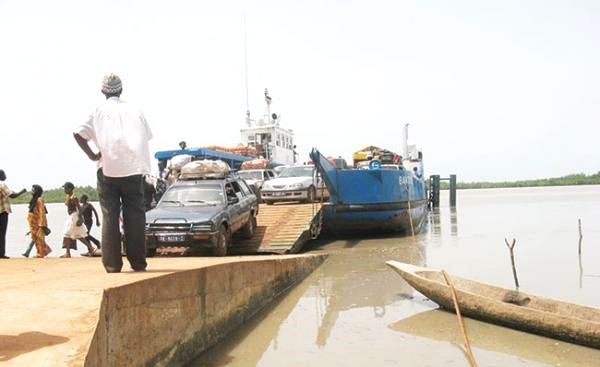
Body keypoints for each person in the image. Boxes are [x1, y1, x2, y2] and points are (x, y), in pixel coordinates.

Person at [73, 73, 152, 273]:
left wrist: (92, 155)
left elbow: (78, 133)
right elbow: (146, 136)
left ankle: (112, 265)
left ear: (103, 91)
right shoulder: (135, 110)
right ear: (121, 89)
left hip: (107, 169)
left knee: (110, 216)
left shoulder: (97, 111)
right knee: (135, 216)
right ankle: (138, 263)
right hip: (134, 169)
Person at [61, 182, 96, 258]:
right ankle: (91, 248)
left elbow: (79, 208)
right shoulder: (69, 197)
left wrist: (80, 218)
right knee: (78, 235)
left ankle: (68, 253)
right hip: (72, 216)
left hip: (74, 216)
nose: (65, 190)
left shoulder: (74, 197)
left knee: (66, 234)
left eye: (66, 188)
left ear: (70, 189)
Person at [0, 169, 26, 259]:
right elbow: (12, 195)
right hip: (2, 212)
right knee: (2, 233)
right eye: (4, 174)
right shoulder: (2, 185)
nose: (5, 176)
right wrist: (22, 192)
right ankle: (1, 254)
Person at [26, 185, 52, 258]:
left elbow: (41, 212)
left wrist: (41, 224)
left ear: (37, 191)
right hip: (33, 223)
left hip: (38, 222)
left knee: (39, 238)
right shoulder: (34, 199)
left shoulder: (39, 199)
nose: (31, 191)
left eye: (33, 190)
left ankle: (41, 253)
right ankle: (42, 251)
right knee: (35, 237)